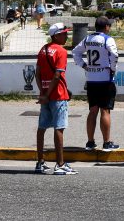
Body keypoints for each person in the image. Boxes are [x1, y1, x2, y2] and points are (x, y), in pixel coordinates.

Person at [34, 23, 77, 175]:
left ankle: (40, 162)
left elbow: (37, 73)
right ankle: (60, 164)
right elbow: (57, 75)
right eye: (64, 34)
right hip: (58, 95)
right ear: (56, 35)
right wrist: (48, 94)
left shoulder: (43, 50)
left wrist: (43, 92)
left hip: (46, 94)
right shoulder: (61, 51)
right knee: (59, 128)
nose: (66, 36)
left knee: (42, 128)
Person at [73, 16, 120, 152]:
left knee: (93, 110)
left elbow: (75, 52)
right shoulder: (107, 39)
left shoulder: (88, 39)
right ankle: (106, 142)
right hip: (105, 79)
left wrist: (84, 66)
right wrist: (112, 68)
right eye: (109, 26)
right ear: (106, 27)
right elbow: (115, 55)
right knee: (105, 110)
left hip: (91, 79)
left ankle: (90, 142)